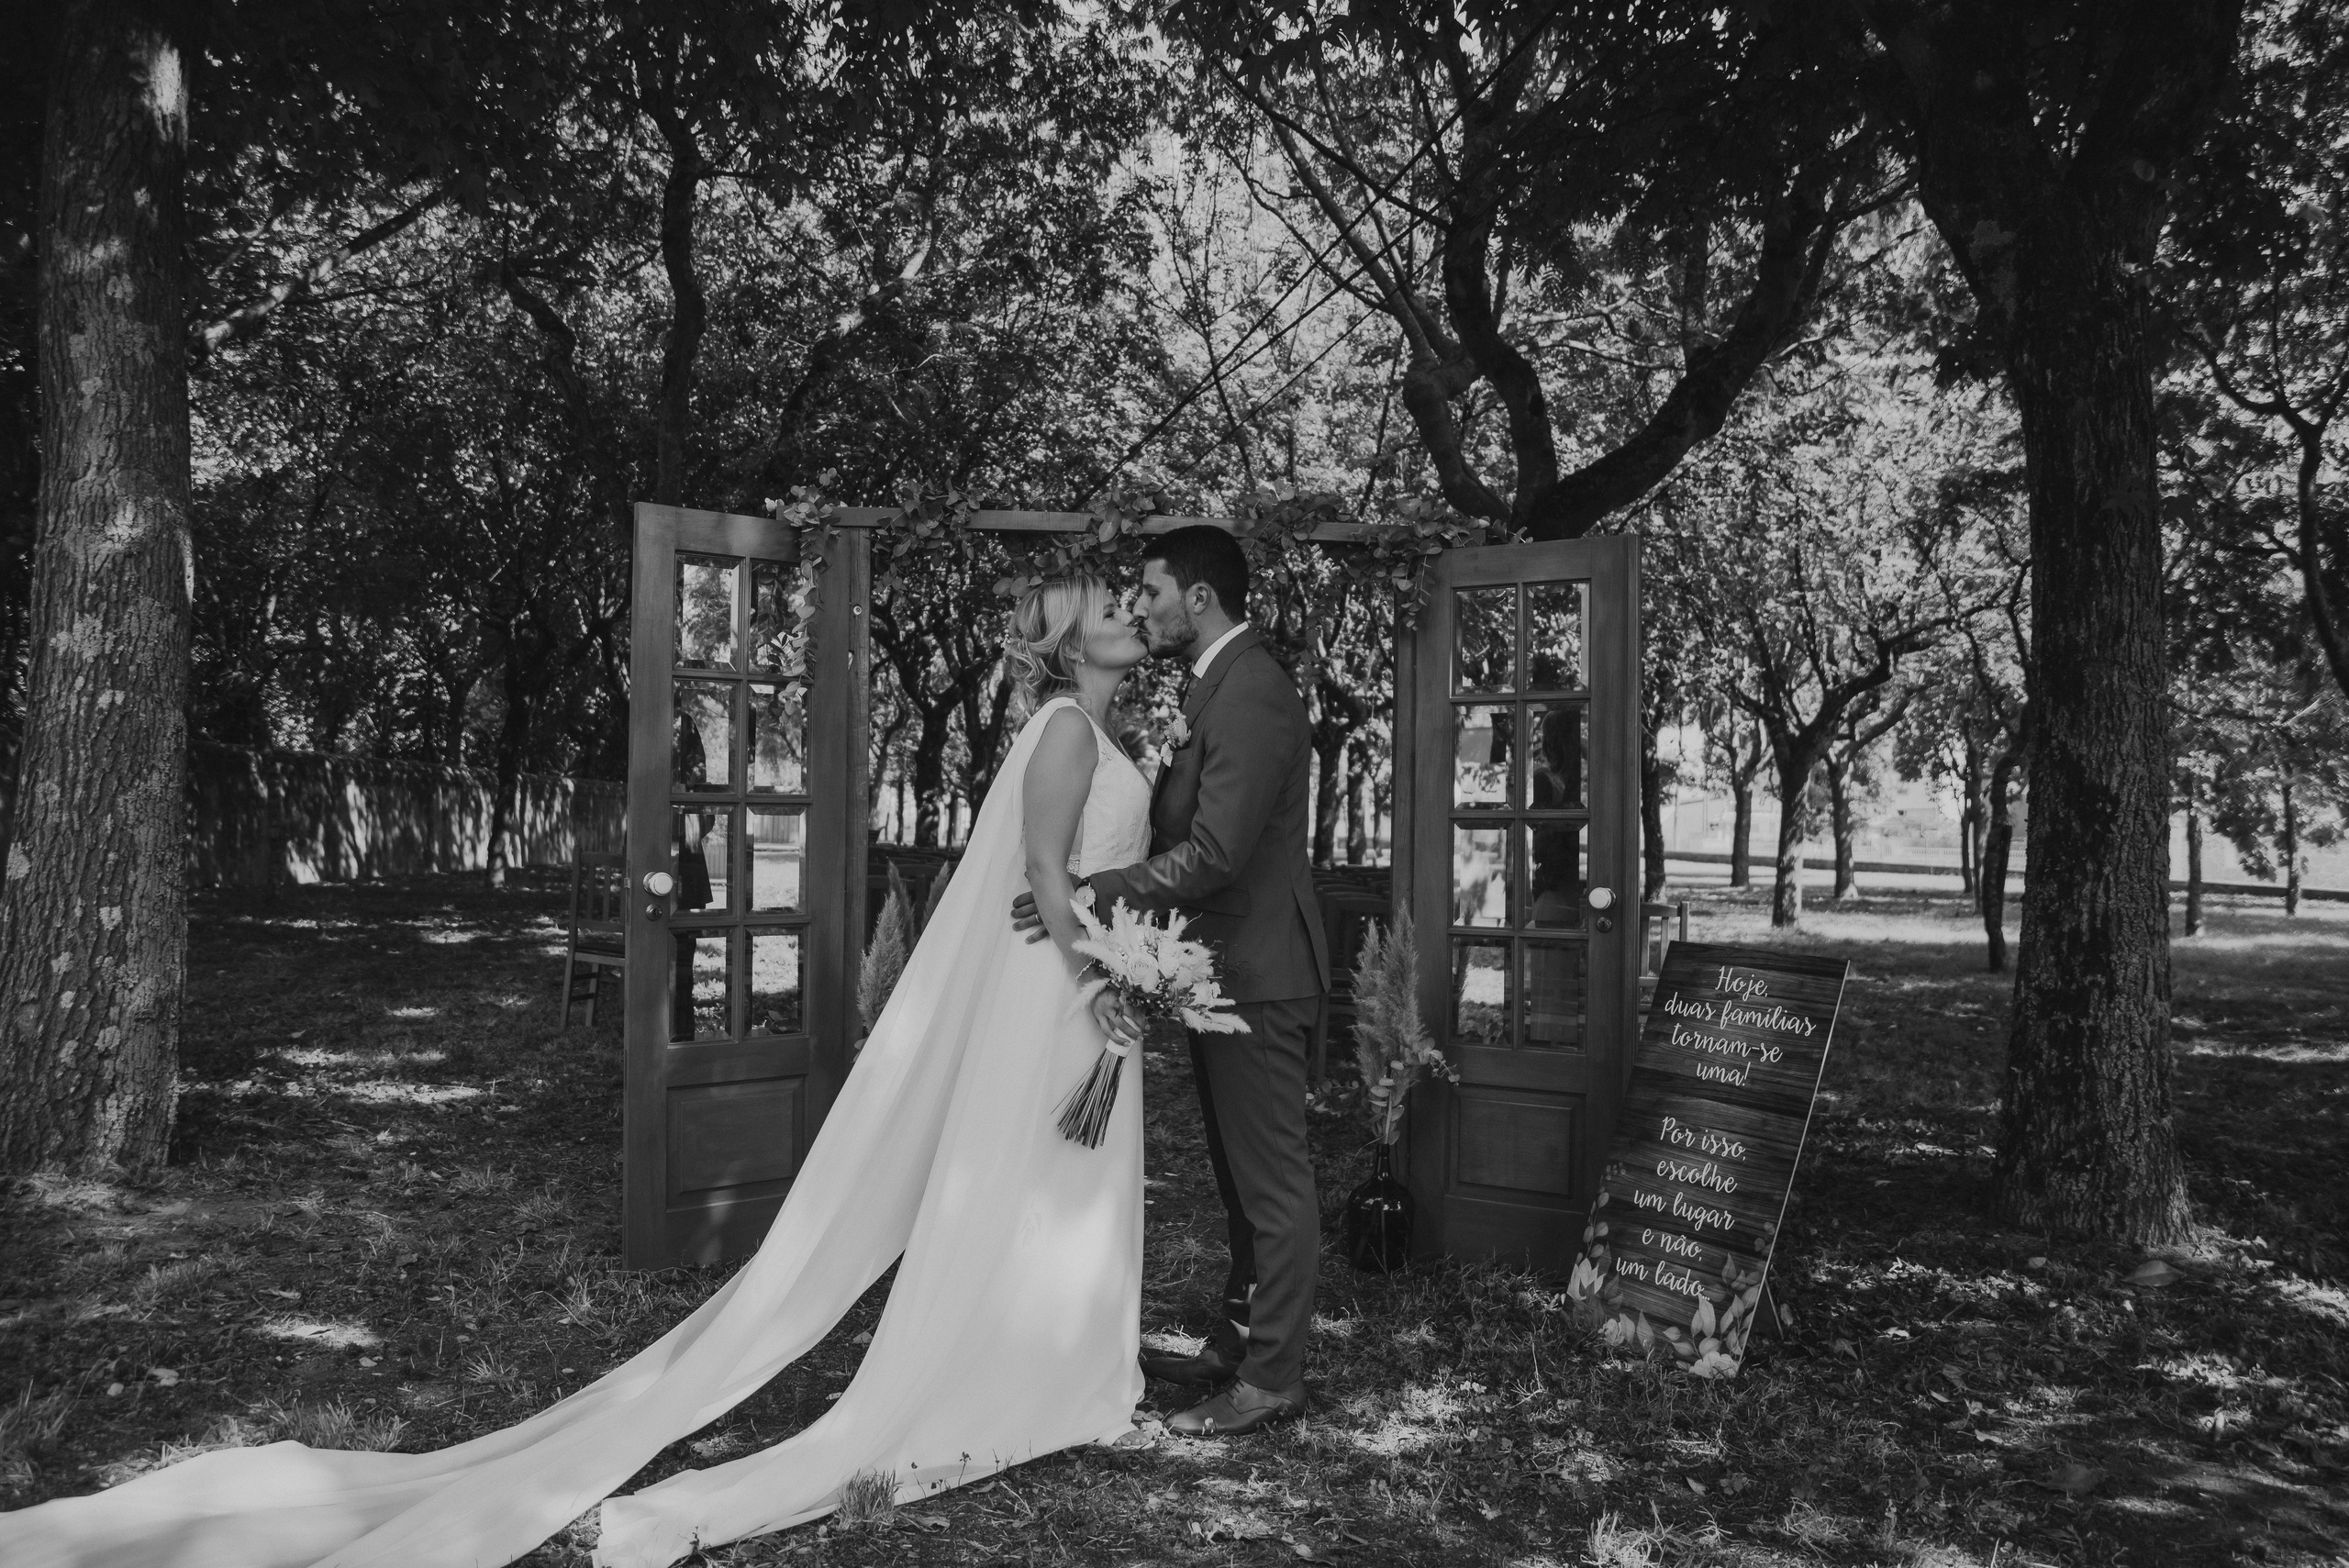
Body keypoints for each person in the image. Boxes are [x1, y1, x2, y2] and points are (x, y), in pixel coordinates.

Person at [0, 574, 1158, 1568]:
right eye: (1109, 605)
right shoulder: (1065, 729)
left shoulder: (1103, 732)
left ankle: (1054, 1356)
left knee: (1052, 1173)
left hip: (1080, 978)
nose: (1127, 612)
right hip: (1057, 985)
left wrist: (1125, 958)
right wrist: (1098, 976)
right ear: (1067, 643)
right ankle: (1004, 1368)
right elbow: (1043, 873)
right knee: (1029, 1159)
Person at [1014, 525, 1330, 1437]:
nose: (1139, 607)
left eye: (1149, 591)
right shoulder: (1215, 685)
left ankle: (1271, 1378)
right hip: (1218, 971)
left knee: (1272, 1182)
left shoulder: (1253, 689)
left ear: (1197, 596)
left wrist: (1093, 889)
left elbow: (1217, 851)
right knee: (1239, 1179)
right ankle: (1237, 1343)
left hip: (1258, 973)